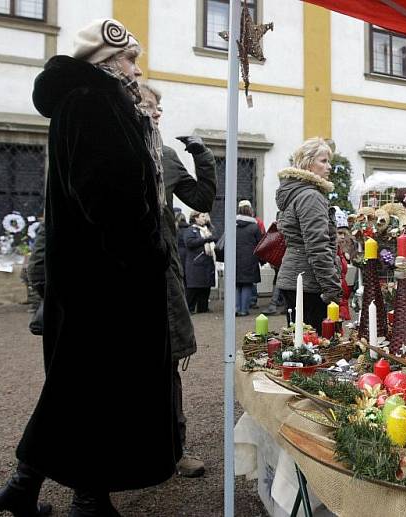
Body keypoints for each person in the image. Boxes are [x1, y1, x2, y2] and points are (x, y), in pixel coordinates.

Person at [0, 19, 180, 516]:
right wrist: (146, 253)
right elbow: (109, 195)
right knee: (91, 389)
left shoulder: (90, 101)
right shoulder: (93, 102)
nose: (136, 69)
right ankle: (84, 498)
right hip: (104, 279)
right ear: (106, 61)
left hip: (92, 275)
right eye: (130, 59)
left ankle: (41, 488)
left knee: (80, 389)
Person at [138, 83, 216, 477]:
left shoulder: (164, 155)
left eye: (158, 107)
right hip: (122, 277)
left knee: (168, 366)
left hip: (161, 277)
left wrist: (201, 154)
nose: (156, 113)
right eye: (147, 105)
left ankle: (175, 448)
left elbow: (201, 199)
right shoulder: (115, 148)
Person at [275, 137, 342, 330]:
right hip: (309, 282)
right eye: (323, 161)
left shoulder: (298, 193)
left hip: (297, 277)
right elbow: (317, 246)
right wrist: (330, 287)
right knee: (315, 346)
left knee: (300, 343)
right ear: (308, 163)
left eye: (329, 161)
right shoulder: (310, 196)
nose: (329, 167)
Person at [232, 200, 263, 316]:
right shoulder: (254, 226)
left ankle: (236, 308)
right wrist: (262, 260)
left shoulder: (232, 224)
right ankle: (244, 310)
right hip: (250, 260)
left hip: (234, 259)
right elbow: (260, 244)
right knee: (247, 284)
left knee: (236, 284)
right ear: (250, 210)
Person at [184, 212, 216, 313]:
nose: (205, 219)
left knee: (205, 288)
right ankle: (189, 308)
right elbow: (189, 243)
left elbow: (214, 239)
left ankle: (203, 308)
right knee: (193, 288)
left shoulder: (207, 229)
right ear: (195, 218)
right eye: (202, 216)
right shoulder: (190, 230)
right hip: (196, 263)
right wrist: (205, 240)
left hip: (207, 263)